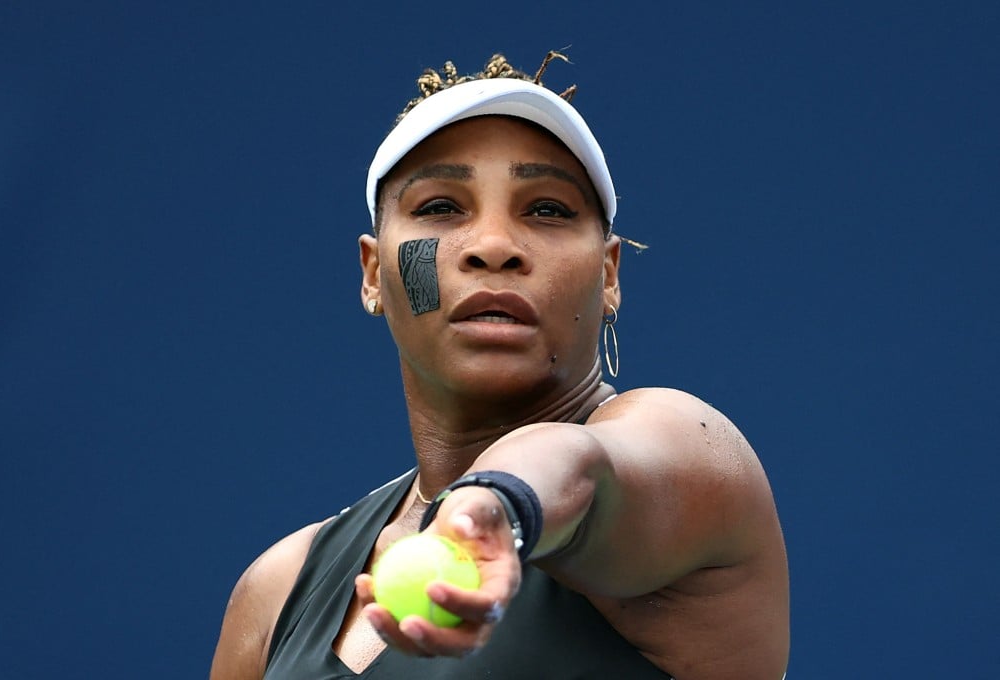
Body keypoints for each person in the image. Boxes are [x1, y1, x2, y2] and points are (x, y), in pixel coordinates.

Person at [209, 52, 790, 680]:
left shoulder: (690, 451)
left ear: (609, 274)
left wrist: (493, 507)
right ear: (374, 273)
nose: (493, 247)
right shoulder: (277, 591)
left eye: (547, 210)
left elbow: (578, 466)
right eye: (439, 207)